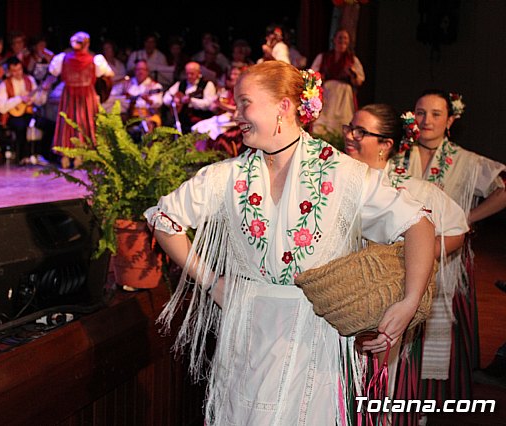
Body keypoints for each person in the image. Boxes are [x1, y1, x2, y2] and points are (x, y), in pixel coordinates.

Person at [145, 61, 436, 424]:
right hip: (247, 331)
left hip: (314, 332)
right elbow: (164, 219)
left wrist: (409, 302)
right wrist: (211, 282)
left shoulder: (345, 174)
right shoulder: (227, 176)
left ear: (284, 105)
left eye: (245, 102)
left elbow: (419, 224)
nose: (237, 114)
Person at [342, 104, 470, 425]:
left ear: (386, 144)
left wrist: (410, 261)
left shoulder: (412, 188)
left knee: (381, 389)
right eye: (349, 128)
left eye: (361, 132)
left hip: (389, 309)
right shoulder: (334, 183)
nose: (350, 137)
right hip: (341, 303)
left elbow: (455, 230)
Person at [391, 90, 506, 404]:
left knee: (439, 327)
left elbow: (502, 190)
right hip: (403, 255)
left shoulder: (465, 160)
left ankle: (436, 397)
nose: (426, 120)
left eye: (436, 113)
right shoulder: (398, 156)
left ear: (451, 119)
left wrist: (466, 219)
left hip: (447, 255)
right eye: (420, 112)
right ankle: (402, 393)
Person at [45, 31, 114, 168]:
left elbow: (52, 72)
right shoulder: (95, 60)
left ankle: (65, 157)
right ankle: (79, 157)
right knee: (84, 122)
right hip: (86, 95)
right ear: (87, 44)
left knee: (67, 123)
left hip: (69, 94)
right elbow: (109, 74)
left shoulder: (63, 59)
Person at [310, 29, 365, 136]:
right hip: (328, 93)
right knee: (324, 121)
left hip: (344, 95)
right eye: (340, 37)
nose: (342, 40)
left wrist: (352, 74)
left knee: (343, 120)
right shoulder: (323, 57)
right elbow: (312, 75)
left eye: (345, 38)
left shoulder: (352, 60)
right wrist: (320, 77)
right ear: (334, 40)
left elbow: (359, 80)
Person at [0, 57, 47, 165]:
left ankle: (42, 154)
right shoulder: (4, 85)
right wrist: (19, 99)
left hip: (29, 113)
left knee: (48, 125)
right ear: (9, 71)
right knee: (21, 126)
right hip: (12, 116)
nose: (18, 73)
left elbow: (39, 101)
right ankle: (23, 157)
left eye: (19, 69)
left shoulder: (30, 80)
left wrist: (43, 92)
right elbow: (1, 107)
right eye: (14, 71)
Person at [191, 65, 243, 155]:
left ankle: (202, 156)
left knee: (210, 130)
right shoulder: (228, 91)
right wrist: (217, 105)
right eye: (231, 74)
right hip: (226, 117)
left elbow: (239, 109)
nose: (232, 77)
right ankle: (197, 155)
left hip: (237, 120)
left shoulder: (243, 91)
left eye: (235, 74)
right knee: (198, 127)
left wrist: (222, 105)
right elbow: (215, 106)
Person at [110, 59, 163, 139]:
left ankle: (147, 149)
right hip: (129, 114)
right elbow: (112, 93)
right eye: (138, 69)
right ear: (134, 71)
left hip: (147, 114)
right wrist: (125, 98)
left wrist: (148, 100)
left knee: (149, 125)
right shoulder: (127, 83)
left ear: (147, 71)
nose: (140, 72)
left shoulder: (154, 86)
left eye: (143, 69)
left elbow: (158, 102)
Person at [162, 62, 216, 134]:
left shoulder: (207, 84)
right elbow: (166, 98)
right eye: (187, 73)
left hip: (201, 118)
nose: (189, 76)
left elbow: (209, 104)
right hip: (182, 118)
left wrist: (191, 101)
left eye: (192, 73)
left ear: (198, 73)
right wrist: (174, 99)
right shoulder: (181, 83)